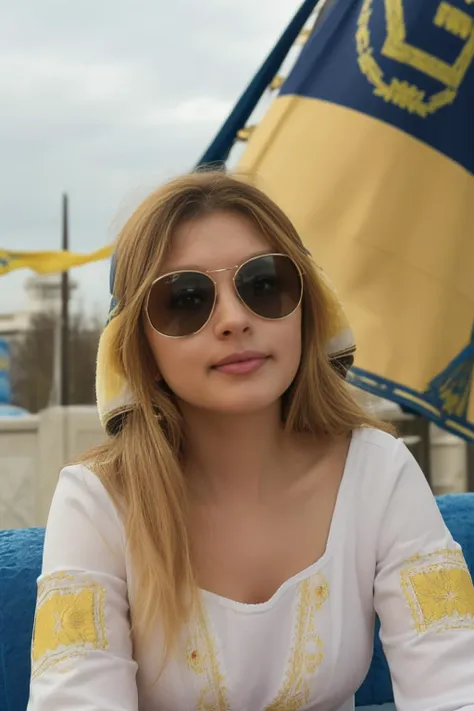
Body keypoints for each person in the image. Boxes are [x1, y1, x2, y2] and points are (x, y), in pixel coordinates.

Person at [27, 171, 474, 711]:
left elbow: (453, 689)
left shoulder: (379, 472)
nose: (235, 320)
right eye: (186, 299)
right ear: (139, 345)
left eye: (265, 284)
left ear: (308, 308)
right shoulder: (98, 503)